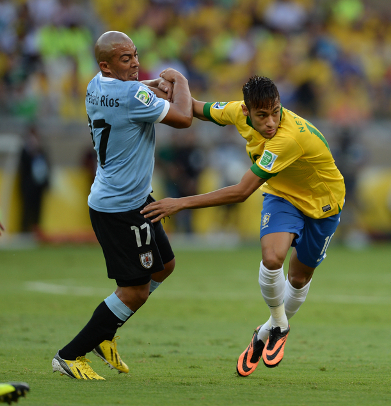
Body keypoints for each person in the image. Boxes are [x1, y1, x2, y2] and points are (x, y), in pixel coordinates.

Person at [142, 75, 346, 377]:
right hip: (282, 196)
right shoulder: (236, 111)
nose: (270, 122)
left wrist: (180, 202)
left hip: (323, 204)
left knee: (299, 278)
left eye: (275, 111)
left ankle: (265, 333)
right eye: (262, 115)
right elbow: (195, 108)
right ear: (247, 111)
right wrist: (173, 89)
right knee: (272, 258)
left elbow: (241, 192)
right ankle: (280, 326)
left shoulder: (287, 139)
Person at [51, 31, 193, 380]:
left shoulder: (95, 85)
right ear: (106, 65)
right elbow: (184, 118)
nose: (135, 63)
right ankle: (69, 355)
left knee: (165, 265)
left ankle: (107, 331)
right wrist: (180, 79)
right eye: (125, 59)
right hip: (120, 206)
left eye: (135, 55)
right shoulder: (131, 94)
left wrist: (153, 83)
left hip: (129, 197)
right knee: (135, 290)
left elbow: (138, 92)